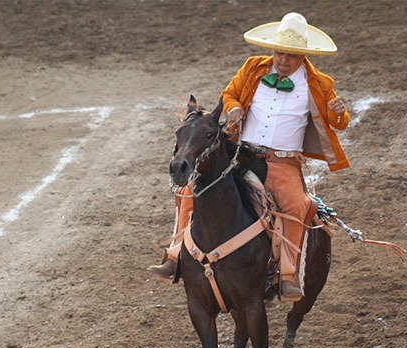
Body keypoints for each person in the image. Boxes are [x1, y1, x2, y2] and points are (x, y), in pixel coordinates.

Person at [149, 12, 351, 302]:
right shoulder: (253, 67)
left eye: (291, 56)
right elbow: (229, 94)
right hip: (241, 154)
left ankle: (287, 275)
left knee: (299, 205)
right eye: (279, 53)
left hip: (282, 162)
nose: (283, 60)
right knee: (190, 189)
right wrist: (233, 109)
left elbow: (339, 122)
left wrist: (338, 112)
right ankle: (175, 255)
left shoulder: (319, 83)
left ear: (303, 56)